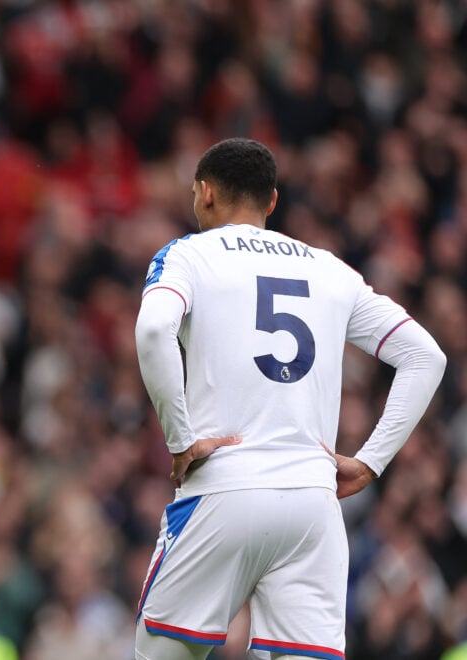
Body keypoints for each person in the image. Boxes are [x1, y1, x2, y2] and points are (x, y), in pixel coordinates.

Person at [132, 137, 446, 660]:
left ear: (205, 193)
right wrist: (370, 461)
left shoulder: (187, 255)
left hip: (223, 489)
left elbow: (151, 331)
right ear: (272, 201)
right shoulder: (331, 270)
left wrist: (180, 441)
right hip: (312, 505)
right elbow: (425, 356)